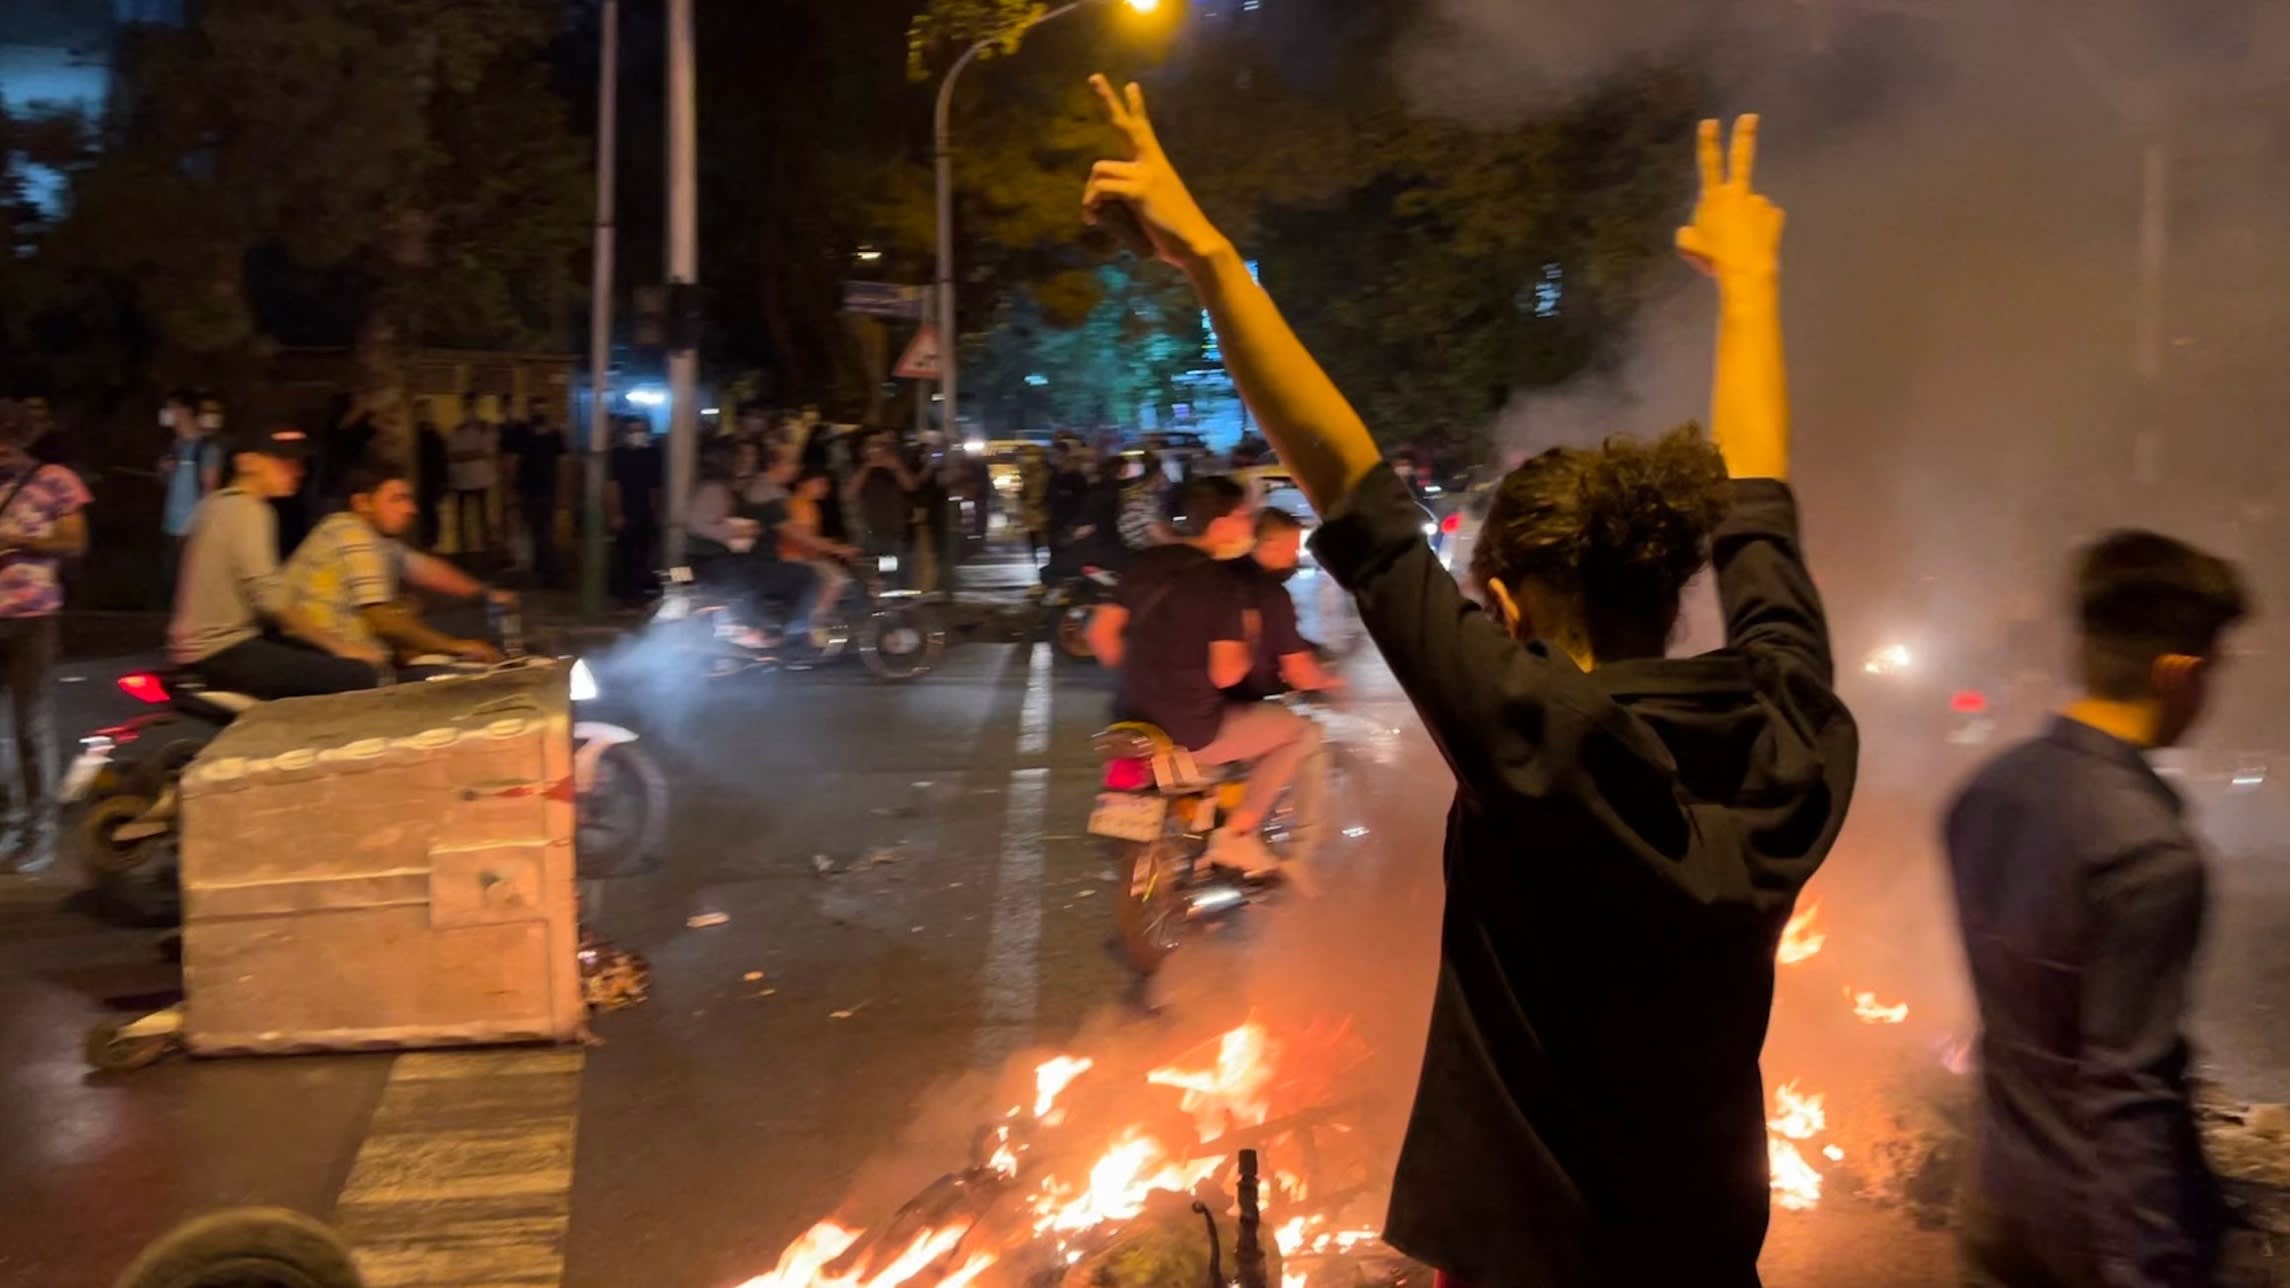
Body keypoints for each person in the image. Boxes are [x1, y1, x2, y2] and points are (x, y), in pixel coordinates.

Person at [1083, 81, 1855, 1284]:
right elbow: (1761, 507)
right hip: (1707, 1254)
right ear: (1676, 578)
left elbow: (1350, 490)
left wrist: (1213, 260)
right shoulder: (1789, 729)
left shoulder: (1530, 735)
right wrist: (1751, 284)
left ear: (1504, 605)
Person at [1945, 533, 2250, 1288]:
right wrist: (2150, 1265)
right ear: (2178, 672)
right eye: (2214, 673)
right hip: (2089, 1243)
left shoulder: (1985, 794)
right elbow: (2126, 1093)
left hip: (1994, 1203)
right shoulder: (2149, 852)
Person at [1085, 474, 1319, 877]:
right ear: (1220, 525)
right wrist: (1247, 641)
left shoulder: (1145, 564)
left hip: (1130, 716)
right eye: (1244, 516)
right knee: (1299, 732)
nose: (1249, 525)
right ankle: (1240, 836)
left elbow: (1100, 635)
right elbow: (1227, 675)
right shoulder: (1220, 582)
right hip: (1191, 728)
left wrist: (1147, 670)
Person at [169, 427, 382, 699]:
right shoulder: (250, 509)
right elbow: (270, 598)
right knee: (359, 674)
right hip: (222, 650)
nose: (297, 471)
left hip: (199, 648)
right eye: (283, 462)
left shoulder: (212, 505)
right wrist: (340, 646)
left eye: (298, 463)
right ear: (247, 462)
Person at [284, 459, 509, 668]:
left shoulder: (374, 538)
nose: (411, 509)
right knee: (471, 638)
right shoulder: (351, 533)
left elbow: (427, 570)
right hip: (327, 656)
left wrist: (485, 594)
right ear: (362, 503)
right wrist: (456, 646)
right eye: (397, 499)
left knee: (435, 616)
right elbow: (384, 622)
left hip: (350, 649)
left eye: (409, 499)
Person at [0, 400, 89, 874]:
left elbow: (75, 541)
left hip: (33, 615)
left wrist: (21, 542)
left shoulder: (55, 479)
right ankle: (11, 827)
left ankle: (42, 834)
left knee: (30, 727)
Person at [1226, 507, 1339, 702]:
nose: (1294, 559)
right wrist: (1336, 684)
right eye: (1293, 549)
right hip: (1242, 703)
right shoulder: (1271, 593)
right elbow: (1301, 675)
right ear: (1271, 545)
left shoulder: (1222, 575)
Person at [158, 390, 223, 580]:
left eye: (174, 411)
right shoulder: (174, 446)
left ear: (188, 413)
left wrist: (197, 530)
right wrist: (164, 470)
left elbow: (210, 491)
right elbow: (164, 482)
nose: (171, 418)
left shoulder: (207, 449)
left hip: (193, 531)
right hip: (170, 528)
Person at [506, 407, 567, 586]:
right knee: (540, 531)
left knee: (540, 532)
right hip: (536, 491)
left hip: (537, 491)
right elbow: (562, 466)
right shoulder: (531, 438)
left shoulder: (547, 438)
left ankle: (543, 570)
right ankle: (543, 570)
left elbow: (513, 464)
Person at [846, 430, 918, 575]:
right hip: (872, 532)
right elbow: (849, 494)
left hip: (896, 531)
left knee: (895, 573)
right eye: (872, 446)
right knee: (879, 574)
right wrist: (868, 466)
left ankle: (894, 595)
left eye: (881, 446)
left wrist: (896, 466)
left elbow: (911, 486)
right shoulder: (861, 468)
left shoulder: (895, 464)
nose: (877, 450)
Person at [608, 417, 663, 603]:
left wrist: (656, 513)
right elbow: (613, 485)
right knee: (625, 553)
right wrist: (615, 513)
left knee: (643, 553)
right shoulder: (618, 455)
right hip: (625, 509)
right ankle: (624, 593)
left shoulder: (653, 454)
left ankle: (637, 592)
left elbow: (656, 488)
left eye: (640, 430)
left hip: (645, 510)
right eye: (632, 431)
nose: (637, 435)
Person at [447, 405, 498, 559]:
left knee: (481, 515)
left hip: (479, 480)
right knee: (463, 517)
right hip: (462, 480)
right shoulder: (457, 431)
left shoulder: (484, 429)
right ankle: (464, 549)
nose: (471, 413)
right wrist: (475, 453)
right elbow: (452, 455)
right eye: (468, 408)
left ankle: (484, 548)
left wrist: (467, 454)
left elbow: (488, 451)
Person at [416, 408, 449, 549]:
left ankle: (430, 540)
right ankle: (429, 539)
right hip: (425, 479)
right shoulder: (425, 436)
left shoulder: (432, 437)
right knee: (427, 510)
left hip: (429, 479)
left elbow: (442, 461)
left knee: (429, 510)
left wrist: (443, 480)